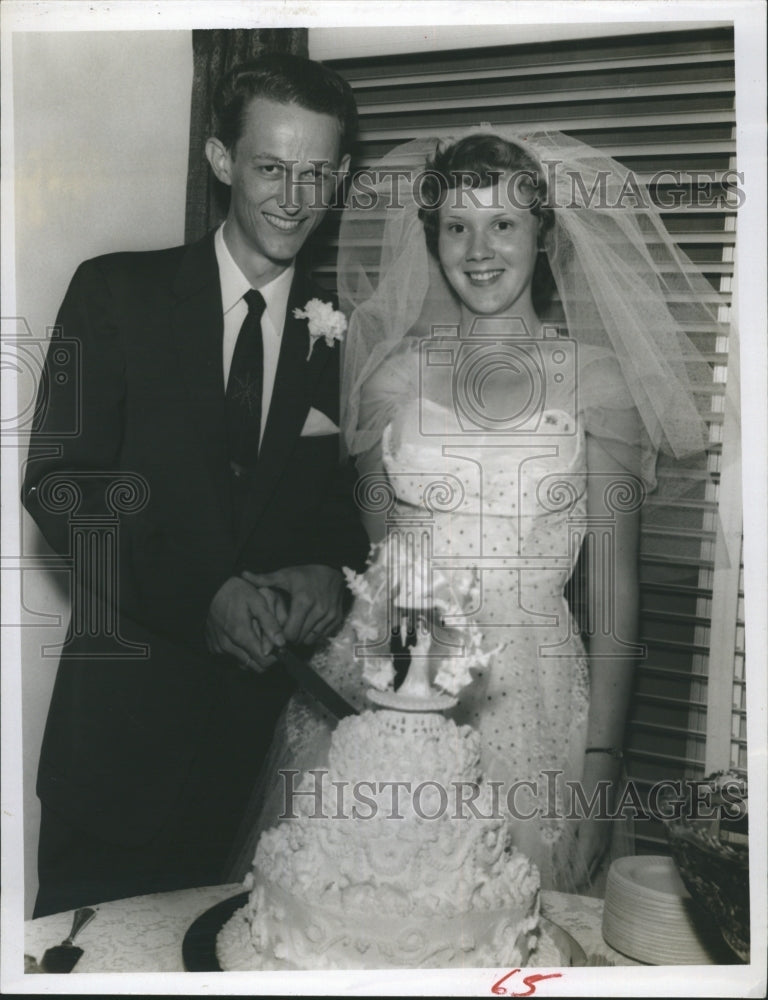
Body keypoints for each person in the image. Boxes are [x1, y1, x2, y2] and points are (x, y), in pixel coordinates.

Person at [241, 128, 723, 893]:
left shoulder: (597, 383)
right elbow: (383, 570)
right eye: (457, 226)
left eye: (504, 223)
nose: (479, 248)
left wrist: (599, 770)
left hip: (538, 696)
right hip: (400, 691)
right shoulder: (390, 381)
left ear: (543, 237)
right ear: (431, 242)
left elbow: (614, 594)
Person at [22, 52, 369, 917]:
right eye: (270, 167)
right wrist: (200, 596)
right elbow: (60, 488)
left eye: (316, 173)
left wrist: (327, 573)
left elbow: (349, 510)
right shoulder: (110, 295)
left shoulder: (351, 340)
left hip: (262, 772)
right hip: (117, 755)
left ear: (343, 178)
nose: (293, 195)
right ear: (220, 162)